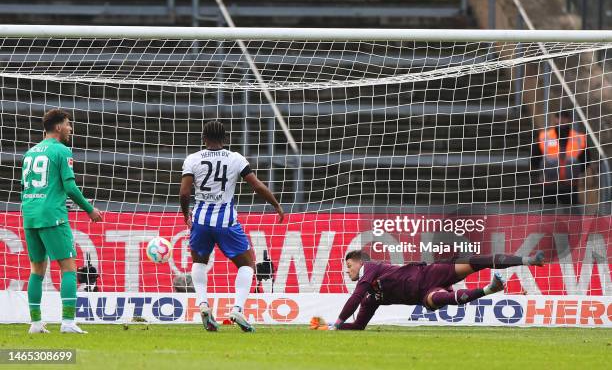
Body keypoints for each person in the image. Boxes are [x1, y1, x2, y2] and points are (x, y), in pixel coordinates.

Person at [180, 121, 284, 332]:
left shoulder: (193, 159)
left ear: (203, 138)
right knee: (247, 265)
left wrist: (185, 215)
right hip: (226, 222)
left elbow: (184, 193)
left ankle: (203, 304)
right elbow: (256, 185)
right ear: (225, 138)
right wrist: (276, 205)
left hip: (200, 221)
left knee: (199, 262)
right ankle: (237, 308)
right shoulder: (235, 158)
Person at [310, 249, 544, 330]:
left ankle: (528, 260)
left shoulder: (370, 268)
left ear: (360, 263)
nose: (347, 271)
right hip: (422, 295)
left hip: (428, 273)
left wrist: (338, 322)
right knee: (440, 299)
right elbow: (359, 325)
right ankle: (490, 289)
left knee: (475, 261)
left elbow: (355, 296)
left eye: (349, 266)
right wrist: (333, 327)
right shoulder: (371, 298)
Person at [22, 109, 103, 334]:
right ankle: (67, 322)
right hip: (52, 214)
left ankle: (36, 323)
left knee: (37, 269)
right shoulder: (61, 151)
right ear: (58, 127)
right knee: (68, 267)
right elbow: (70, 187)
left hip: (29, 214)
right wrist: (89, 209)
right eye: (68, 124)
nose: (70, 128)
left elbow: (26, 186)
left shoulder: (31, 152)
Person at [532, 110, 590, 205]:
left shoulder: (579, 138)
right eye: (558, 116)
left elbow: (586, 160)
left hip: (570, 185)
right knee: (547, 216)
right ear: (554, 118)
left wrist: (572, 172)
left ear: (570, 119)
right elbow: (534, 159)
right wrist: (546, 170)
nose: (561, 119)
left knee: (572, 216)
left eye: (565, 117)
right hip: (548, 185)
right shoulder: (544, 136)